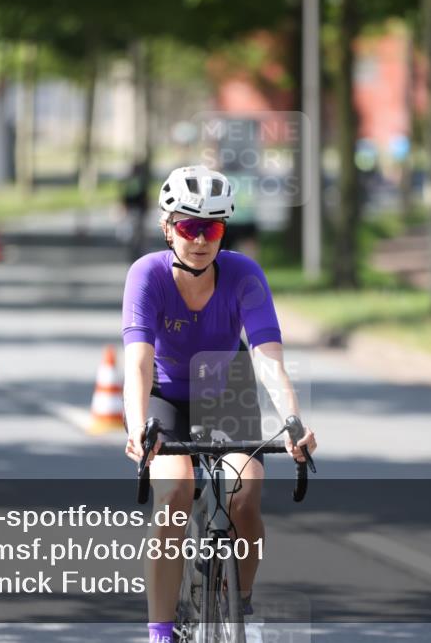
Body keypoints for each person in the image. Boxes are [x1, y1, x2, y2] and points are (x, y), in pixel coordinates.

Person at [121, 165, 317, 643]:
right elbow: (138, 366)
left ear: (223, 231)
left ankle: (236, 604)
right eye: (189, 226)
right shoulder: (145, 275)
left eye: (211, 227)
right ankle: (161, 630)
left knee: (245, 494)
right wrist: (137, 428)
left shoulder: (244, 275)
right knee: (174, 495)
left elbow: (269, 359)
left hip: (226, 388)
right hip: (166, 396)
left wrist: (293, 421)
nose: (200, 238)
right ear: (168, 228)